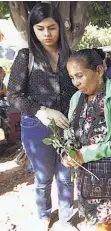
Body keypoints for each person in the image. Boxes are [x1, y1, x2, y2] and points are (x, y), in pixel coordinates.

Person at [7, 3, 77, 230]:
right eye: (40, 28)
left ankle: (66, 219)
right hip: (37, 126)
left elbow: (81, 89)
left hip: (68, 126)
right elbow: (13, 95)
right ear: (32, 30)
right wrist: (42, 110)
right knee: (43, 177)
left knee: (66, 176)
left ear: (60, 27)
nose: (46, 34)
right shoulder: (25, 56)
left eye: (51, 27)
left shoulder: (71, 56)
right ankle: (44, 215)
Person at [64, 48, 111, 231]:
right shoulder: (76, 98)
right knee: (94, 218)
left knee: (105, 222)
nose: (76, 83)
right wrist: (68, 151)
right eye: (72, 77)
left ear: (99, 70)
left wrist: (88, 153)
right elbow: (70, 132)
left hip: (110, 173)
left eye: (79, 76)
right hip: (86, 173)